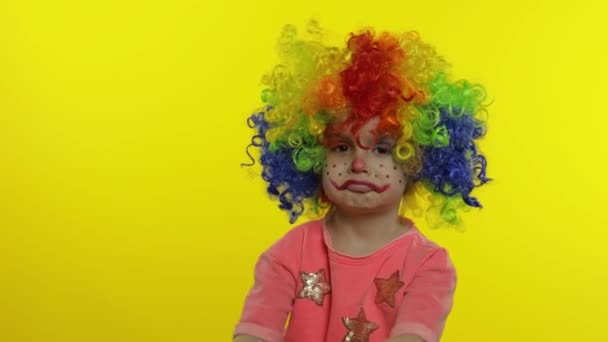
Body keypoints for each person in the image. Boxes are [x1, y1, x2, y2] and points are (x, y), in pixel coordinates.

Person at [234, 22, 490, 342]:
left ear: (418, 160)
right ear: (312, 155)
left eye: (382, 149)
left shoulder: (428, 264)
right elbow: (256, 329)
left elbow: (413, 335)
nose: (358, 163)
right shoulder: (289, 253)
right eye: (342, 147)